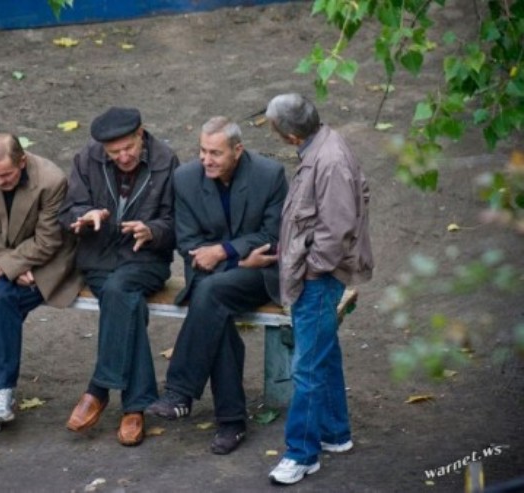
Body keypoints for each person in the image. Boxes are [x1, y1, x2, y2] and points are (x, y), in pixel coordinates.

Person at [147, 116, 288, 455]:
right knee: (213, 305)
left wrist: (225, 252)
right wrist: (237, 258)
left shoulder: (269, 175)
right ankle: (231, 421)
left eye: (215, 153)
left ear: (238, 150)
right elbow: (188, 243)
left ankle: (181, 392)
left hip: (258, 275)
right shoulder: (185, 178)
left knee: (209, 294)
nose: (206, 159)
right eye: (202, 151)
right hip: (209, 271)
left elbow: (272, 236)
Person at [264, 93, 374, 484]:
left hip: (318, 279)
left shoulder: (328, 161)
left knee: (307, 367)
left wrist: (311, 271)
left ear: (291, 136)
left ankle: (301, 454)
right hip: (318, 275)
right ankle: (335, 433)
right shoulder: (323, 146)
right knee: (323, 354)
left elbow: (336, 231)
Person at [59, 107, 179, 446]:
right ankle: (135, 406)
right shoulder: (87, 159)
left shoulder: (166, 161)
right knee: (126, 302)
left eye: (128, 148)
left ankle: (98, 388)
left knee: (120, 289)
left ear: (141, 134)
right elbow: (67, 210)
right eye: (114, 152)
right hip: (99, 259)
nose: (123, 157)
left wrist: (152, 230)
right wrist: (85, 215)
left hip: (146, 260)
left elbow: (178, 222)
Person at [0, 133, 81, 436]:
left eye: (6, 175)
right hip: (6, 260)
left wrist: (1, 269)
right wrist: (8, 267)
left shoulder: (51, 181)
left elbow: (48, 241)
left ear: (22, 162)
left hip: (46, 265)